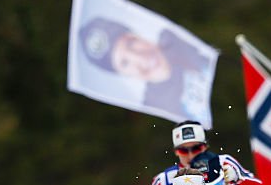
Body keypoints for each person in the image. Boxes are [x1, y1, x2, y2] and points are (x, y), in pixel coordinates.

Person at [78, 17, 214, 124]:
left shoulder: (180, 36)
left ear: (137, 35)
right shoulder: (157, 110)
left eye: (130, 44)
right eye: (124, 63)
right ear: (122, 74)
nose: (139, 58)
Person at [149, 120, 264, 185]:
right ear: (176, 152)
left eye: (196, 148)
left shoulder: (223, 163)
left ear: (204, 147)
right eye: (183, 150)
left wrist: (238, 179)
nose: (191, 155)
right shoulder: (164, 180)